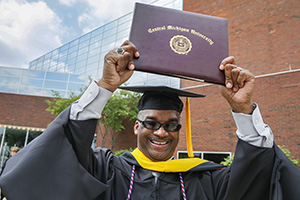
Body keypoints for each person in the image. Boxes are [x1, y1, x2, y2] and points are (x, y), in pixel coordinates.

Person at [0, 40, 299, 199]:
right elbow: (61, 146)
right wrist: (104, 87)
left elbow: (261, 173)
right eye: (152, 122)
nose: (162, 132)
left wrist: (243, 111)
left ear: (179, 131)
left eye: (171, 124)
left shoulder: (207, 180)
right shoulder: (106, 170)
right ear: (136, 126)